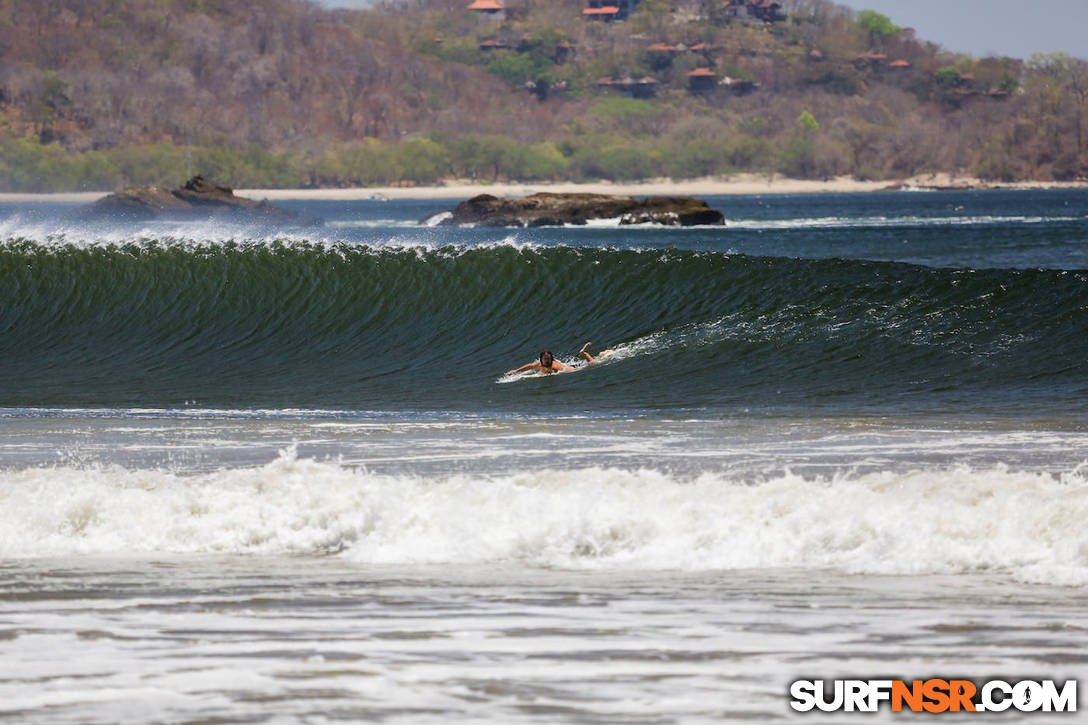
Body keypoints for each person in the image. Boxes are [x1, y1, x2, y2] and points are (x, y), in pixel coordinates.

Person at [506, 349, 573, 376]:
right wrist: (515, 371)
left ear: (552, 359)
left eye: (549, 359)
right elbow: (529, 366)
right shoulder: (539, 364)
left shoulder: (555, 366)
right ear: (541, 359)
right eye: (545, 359)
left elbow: (568, 369)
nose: (547, 360)